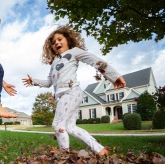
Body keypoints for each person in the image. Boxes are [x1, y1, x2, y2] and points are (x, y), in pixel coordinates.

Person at [22, 25, 126, 156]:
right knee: (70, 127)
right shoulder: (54, 63)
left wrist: (114, 76)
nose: (57, 43)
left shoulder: (74, 52)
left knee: (58, 125)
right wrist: (34, 81)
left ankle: (63, 156)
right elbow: (49, 83)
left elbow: (95, 61)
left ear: (68, 40)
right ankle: (100, 150)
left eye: (60, 39)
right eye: (53, 42)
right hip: (66, 95)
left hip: (71, 92)